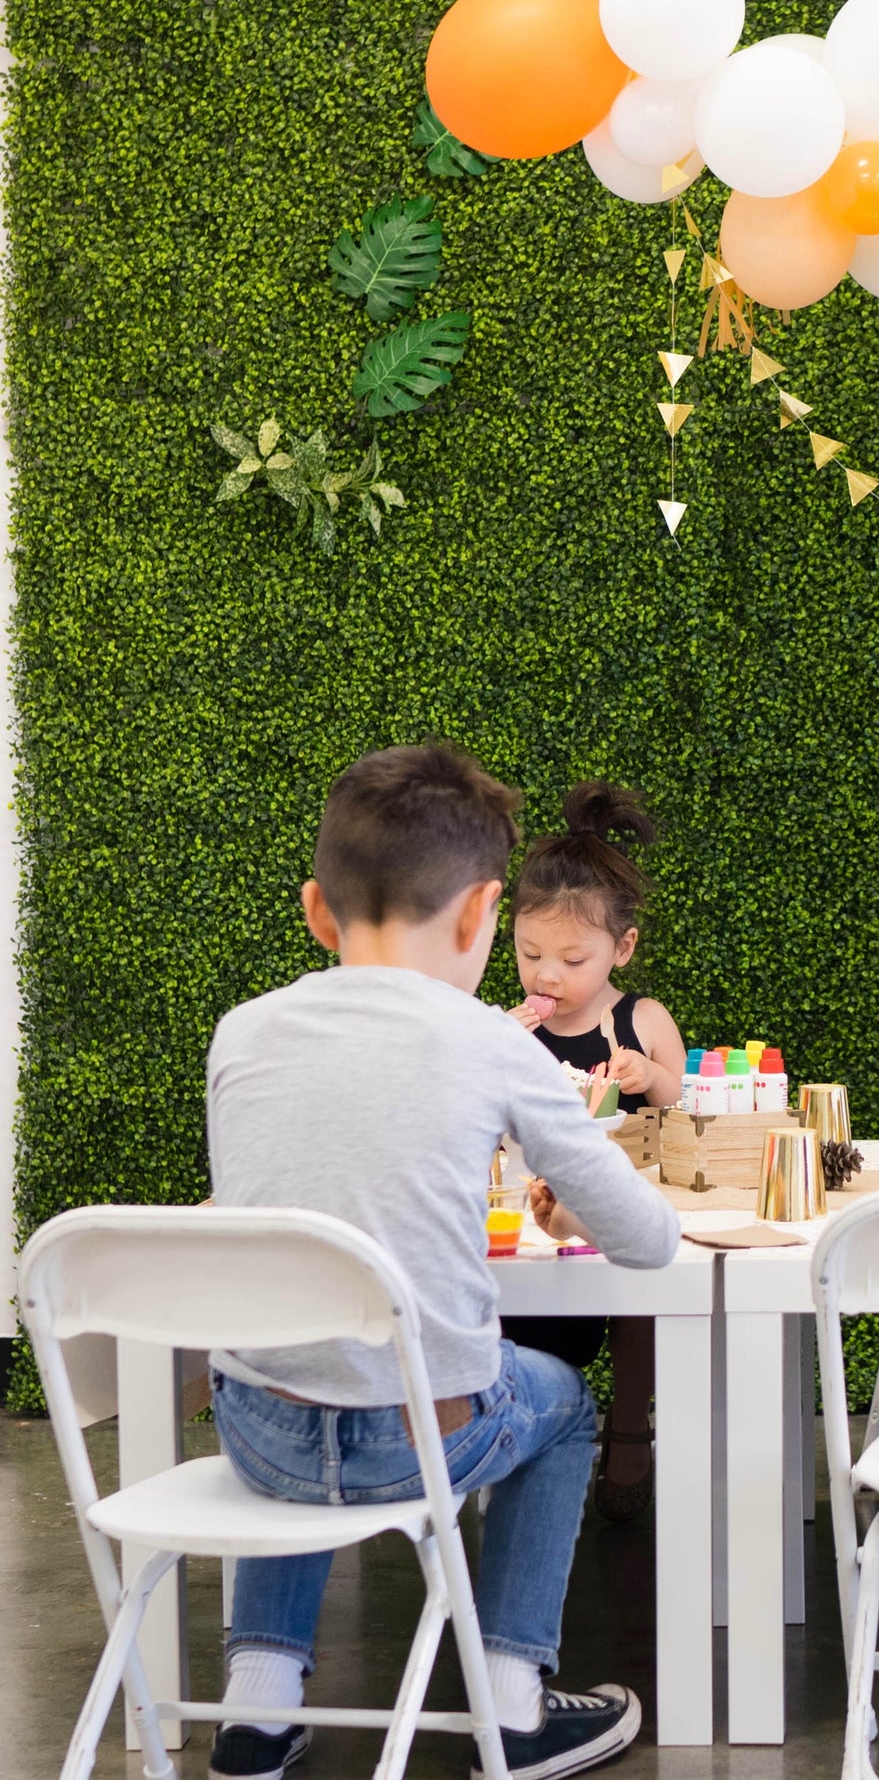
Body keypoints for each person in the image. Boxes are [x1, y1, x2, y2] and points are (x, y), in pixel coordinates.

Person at [205, 745, 678, 1780]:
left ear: (316, 912)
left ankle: (259, 1698)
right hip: (417, 1438)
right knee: (559, 1405)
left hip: (260, 1434)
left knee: (299, 1355)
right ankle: (509, 1697)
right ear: (480, 918)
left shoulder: (241, 1033)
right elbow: (647, 1241)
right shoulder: (495, 1044)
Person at [503, 780, 688, 1521]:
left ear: (623, 948)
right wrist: (495, 1051)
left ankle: (629, 1427)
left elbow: (678, 1097)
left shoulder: (640, 1018)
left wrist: (650, 1075)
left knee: (638, 1302)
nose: (547, 976)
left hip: (622, 1204)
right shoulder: (509, 1026)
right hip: (532, 1211)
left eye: (572, 960)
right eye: (529, 953)